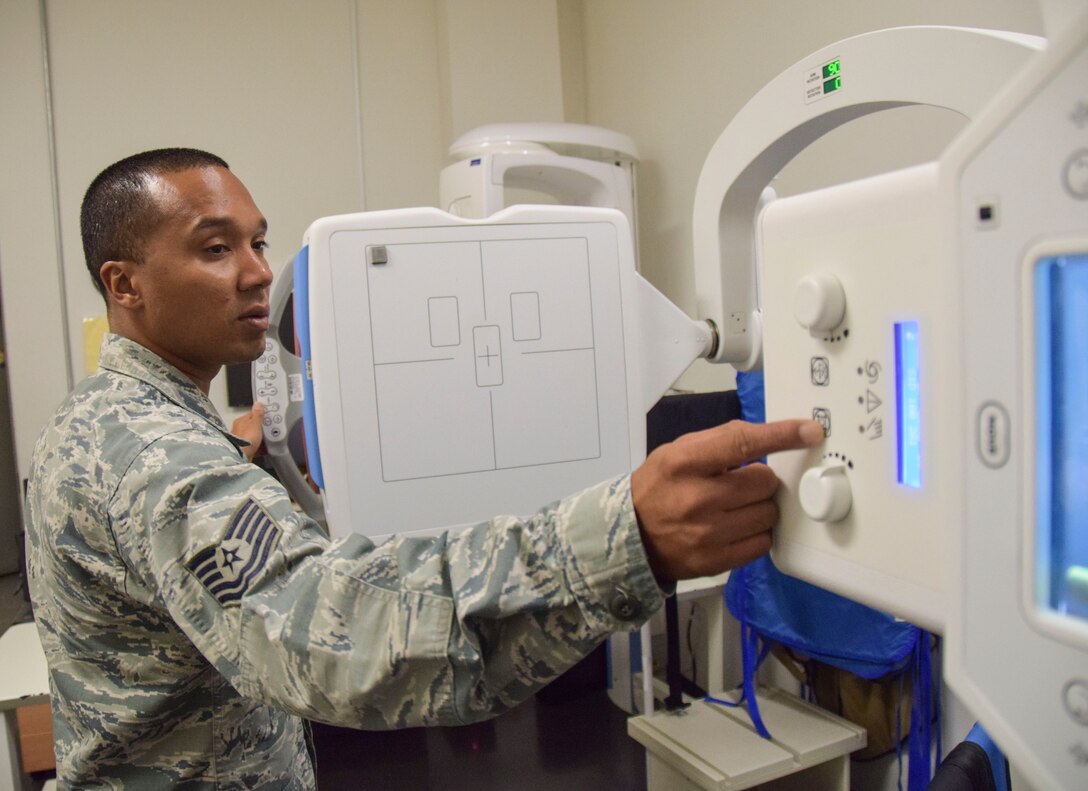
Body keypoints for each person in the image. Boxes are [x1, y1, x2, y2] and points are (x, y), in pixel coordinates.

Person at [24, 148, 823, 789]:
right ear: (123, 284)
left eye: (258, 241)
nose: (258, 270)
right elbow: (330, 636)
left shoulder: (125, 418)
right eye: (214, 247)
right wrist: (625, 536)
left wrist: (264, 473)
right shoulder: (144, 446)